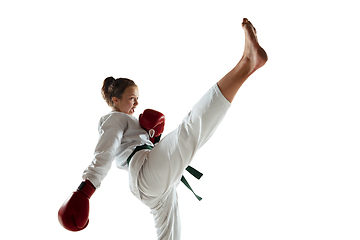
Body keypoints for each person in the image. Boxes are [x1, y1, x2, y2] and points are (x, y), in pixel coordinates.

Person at [58, 18, 268, 240]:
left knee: (170, 235)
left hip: (152, 181)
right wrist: (86, 189)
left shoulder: (132, 124)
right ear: (115, 100)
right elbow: (105, 151)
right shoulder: (114, 120)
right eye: (131, 98)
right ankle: (246, 62)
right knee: (190, 129)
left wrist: (154, 138)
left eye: (137, 98)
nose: (136, 104)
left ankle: (248, 63)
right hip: (144, 172)